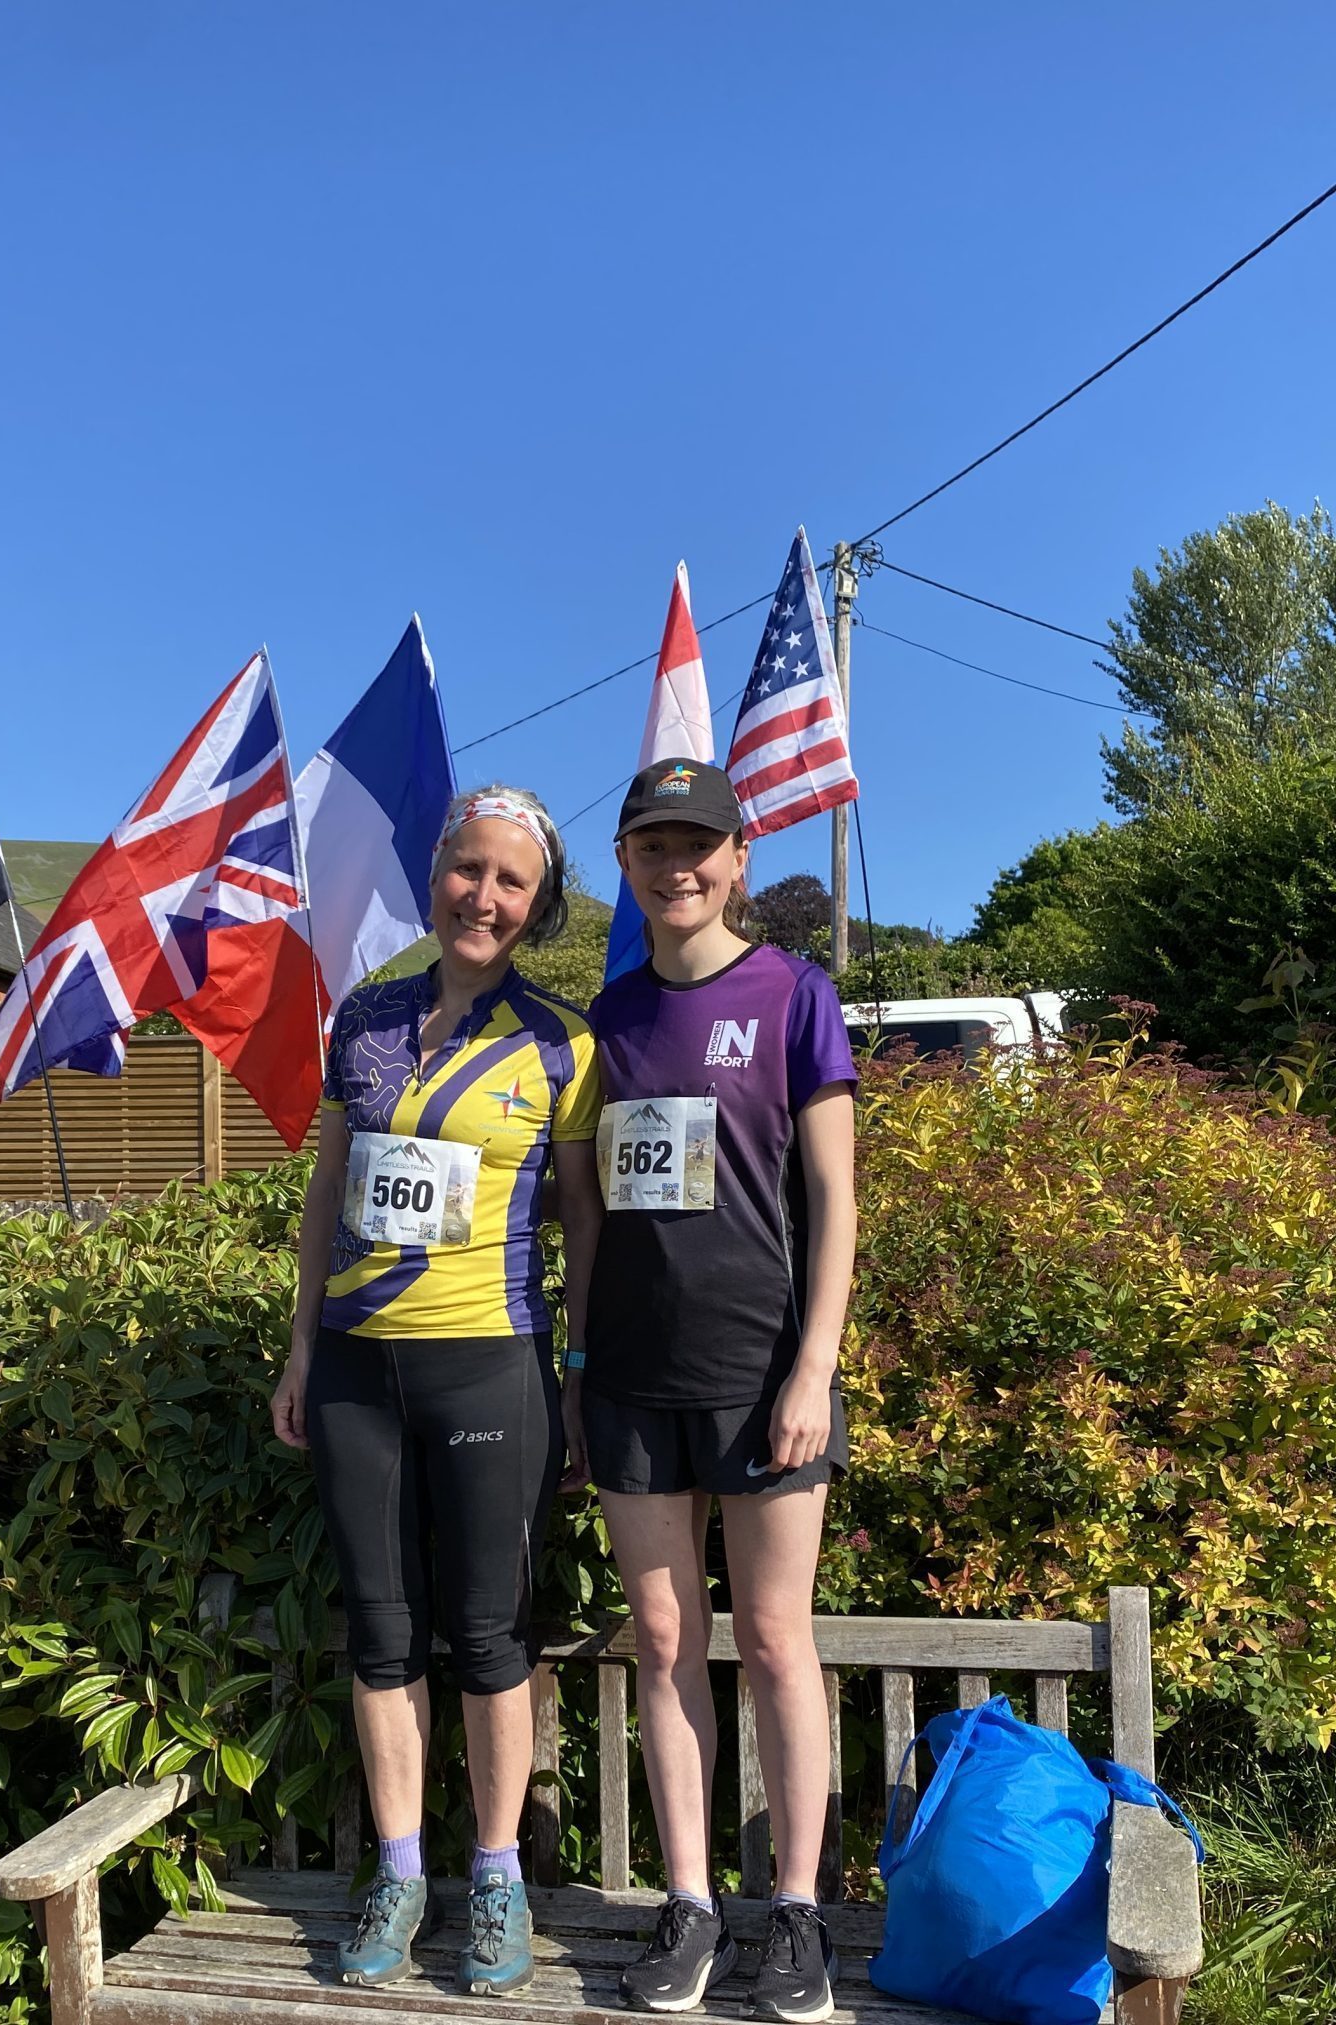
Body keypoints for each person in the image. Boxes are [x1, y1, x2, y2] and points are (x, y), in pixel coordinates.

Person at [271, 784, 603, 1999]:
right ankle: (402, 1871)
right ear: (436, 879)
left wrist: (575, 1373)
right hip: (359, 1365)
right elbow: (324, 1195)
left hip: (490, 1361)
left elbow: (584, 1222)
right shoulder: (362, 1017)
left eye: (511, 881)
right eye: (469, 870)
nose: (485, 895)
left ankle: (498, 1872)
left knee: (486, 1634)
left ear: (538, 905)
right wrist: (302, 1345)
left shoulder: (562, 1042)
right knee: (380, 1629)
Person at [573, 758, 858, 2023]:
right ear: (626, 866)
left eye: (699, 844)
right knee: (668, 1643)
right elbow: (585, 1216)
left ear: (738, 859)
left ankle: (794, 1909)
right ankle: (689, 1903)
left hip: (765, 1381)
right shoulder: (606, 1016)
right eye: (651, 846)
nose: (676, 865)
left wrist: (814, 1368)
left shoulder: (796, 995)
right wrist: (580, 1366)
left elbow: (838, 1204)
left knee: (779, 1641)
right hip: (632, 1383)